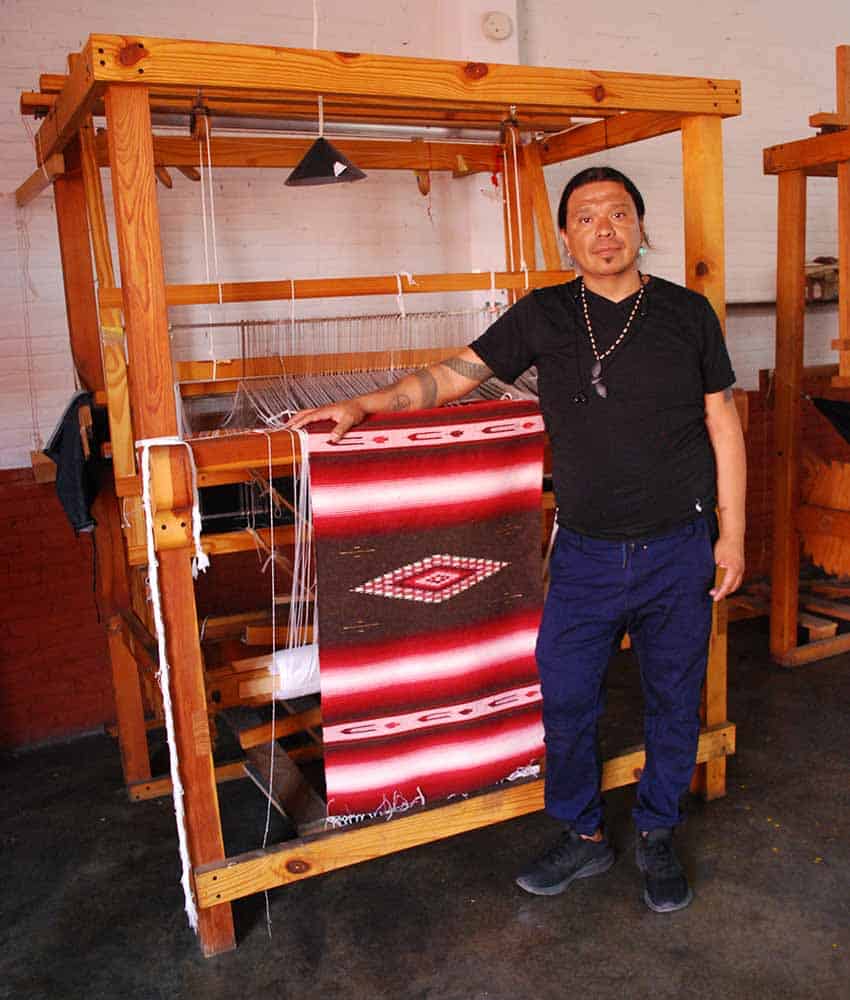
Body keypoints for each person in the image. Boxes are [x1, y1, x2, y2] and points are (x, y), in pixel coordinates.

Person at [286, 166, 746, 913]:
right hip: (587, 554)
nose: (605, 228)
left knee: (673, 699)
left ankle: (659, 832)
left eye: (619, 213)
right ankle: (585, 837)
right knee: (565, 698)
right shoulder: (544, 317)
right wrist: (365, 405)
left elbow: (723, 425)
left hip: (679, 547)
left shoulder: (688, 315)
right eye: (587, 217)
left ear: (640, 227)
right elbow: (454, 376)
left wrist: (734, 537)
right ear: (565, 237)